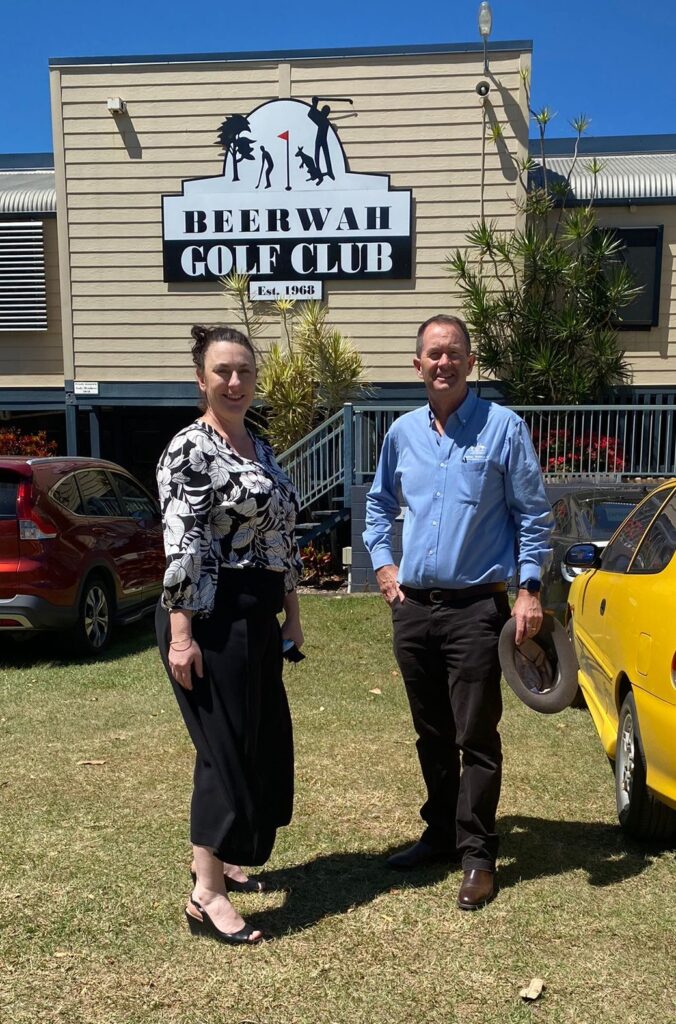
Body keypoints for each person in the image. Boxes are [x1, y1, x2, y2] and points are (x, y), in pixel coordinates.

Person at [363, 314, 552, 911]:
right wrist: (383, 565)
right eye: (432, 355)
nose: (442, 363)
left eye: (453, 354)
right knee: (432, 731)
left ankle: (477, 853)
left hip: (476, 610)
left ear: (471, 363)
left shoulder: (503, 429)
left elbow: (533, 516)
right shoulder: (402, 434)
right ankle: (440, 833)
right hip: (414, 610)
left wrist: (528, 590)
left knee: (475, 733)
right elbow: (377, 506)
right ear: (416, 365)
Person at [155, 323, 304, 945]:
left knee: (252, 742)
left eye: (244, 370)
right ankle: (206, 893)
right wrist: (183, 636)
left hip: (255, 618)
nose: (236, 381)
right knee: (223, 747)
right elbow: (184, 545)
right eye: (223, 371)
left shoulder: (257, 448)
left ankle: (216, 859)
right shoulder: (190, 449)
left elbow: (280, 536)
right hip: (207, 620)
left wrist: (292, 614)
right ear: (202, 379)